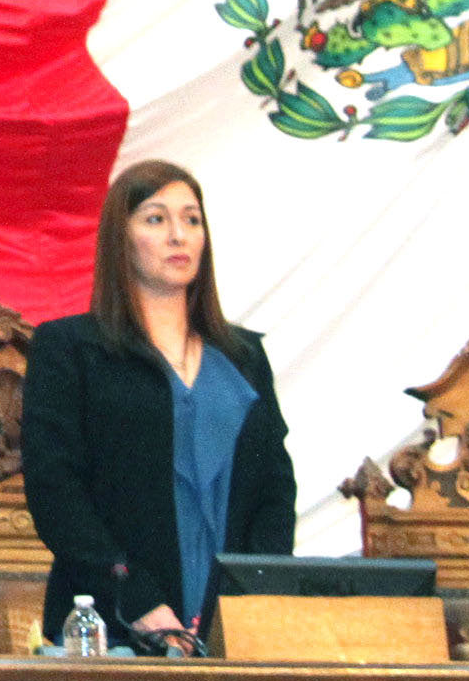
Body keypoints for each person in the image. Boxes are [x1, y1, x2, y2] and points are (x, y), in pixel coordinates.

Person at [21, 160, 294, 655]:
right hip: (112, 627)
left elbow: (274, 491)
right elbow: (56, 492)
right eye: (155, 218)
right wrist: (136, 598)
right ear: (120, 239)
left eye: (191, 219)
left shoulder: (245, 357)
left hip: (235, 633)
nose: (178, 235)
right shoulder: (71, 348)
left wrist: (251, 599)